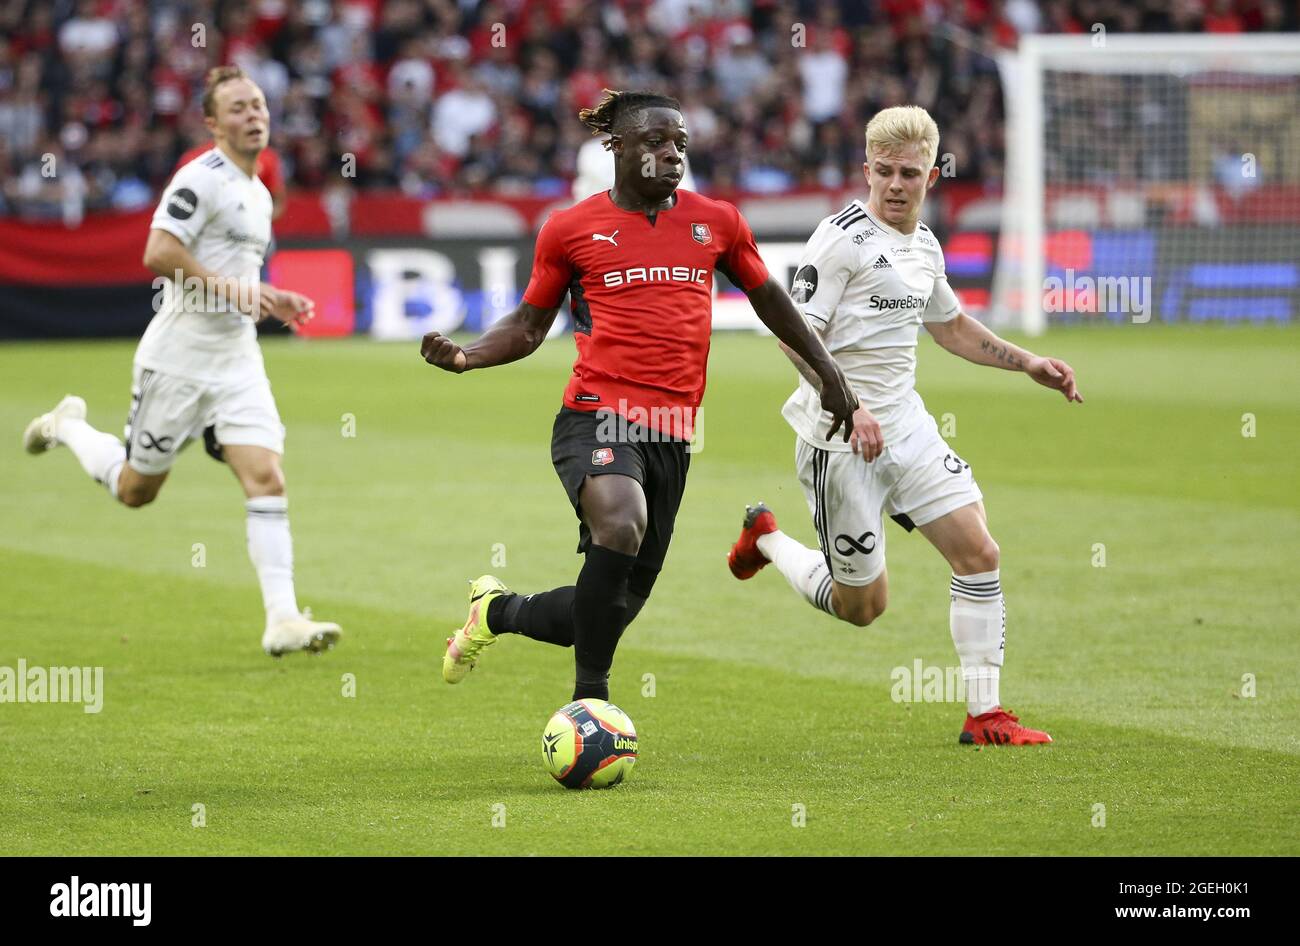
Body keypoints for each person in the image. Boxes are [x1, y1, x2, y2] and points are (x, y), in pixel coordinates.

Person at [420, 89, 857, 702]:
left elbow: (771, 302)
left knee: (603, 613)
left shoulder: (718, 222)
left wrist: (828, 373)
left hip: (672, 434)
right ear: (616, 147)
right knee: (621, 525)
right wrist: (468, 356)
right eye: (654, 141)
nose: (671, 153)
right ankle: (589, 706)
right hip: (596, 417)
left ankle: (495, 612)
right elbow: (525, 327)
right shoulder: (570, 229)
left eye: (679, 142)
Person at [727, 106, 1082, 746]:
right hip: (838, 444)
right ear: (866, 170)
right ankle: (767, 540)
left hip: (907, 430)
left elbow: (949, 326)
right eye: (884, 171)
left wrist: (1026, 362)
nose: (895, 184)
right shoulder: (838, 240)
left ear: (931, 178)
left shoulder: (924, 246)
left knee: (980, 552)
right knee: (863, 608)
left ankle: (985, 715)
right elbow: (793, 335)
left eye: (909, 173)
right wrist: (849, 404)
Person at [22, 66, 340, 657]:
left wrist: (271, 296)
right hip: (179, 359)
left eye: (259, 105)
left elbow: (238, 277)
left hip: (237, 360)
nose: (254, 115)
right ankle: (68, 426)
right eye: (239, 108)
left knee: (266, 476)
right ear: (213, 123)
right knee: (137, 490)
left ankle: (283, 618)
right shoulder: (201, 178)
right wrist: (240, 293)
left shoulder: (261, 192)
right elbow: (158, 251)